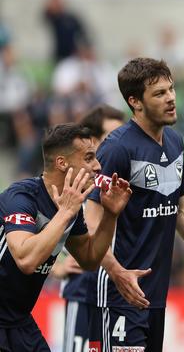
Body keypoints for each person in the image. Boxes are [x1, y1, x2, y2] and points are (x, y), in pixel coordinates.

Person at [84, 57, 184, 352]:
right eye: (159, 93)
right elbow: (90, 225)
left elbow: (181, 210)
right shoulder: (117, 148)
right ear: (135, 102)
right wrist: (118, 272)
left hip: (156, 293)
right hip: (121, 291)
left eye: (171, 90)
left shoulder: (175, 142)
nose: (171, 98)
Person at [0, 123, 131, 351]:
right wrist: (65, 213)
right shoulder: (20, 197)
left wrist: (110, 215)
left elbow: (90, 259)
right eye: (89, 158)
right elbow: (26, 260)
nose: (98, 166)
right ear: (62, 163)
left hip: (17, 321)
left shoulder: (70, 208)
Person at [51, 104, 126, 352]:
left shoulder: (122, 186)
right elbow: (31, 237)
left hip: (117, 295)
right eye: (111, 136)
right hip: (83, 292)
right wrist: (57, 267)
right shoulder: (69, 187)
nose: (119, 143)